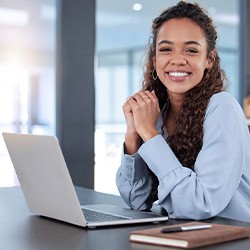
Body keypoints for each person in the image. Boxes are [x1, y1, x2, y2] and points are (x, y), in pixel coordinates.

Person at [116, 1, 250, 222]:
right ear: (155, 59)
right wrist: (133, 134)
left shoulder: (223, 108)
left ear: (209, 59)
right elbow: (136, 200)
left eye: (191, 50)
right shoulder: (158, 111)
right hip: (185, 235)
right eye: (166, 49)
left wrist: (150, 134)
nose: (177, 60)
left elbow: (199, 205)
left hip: (232, 239)